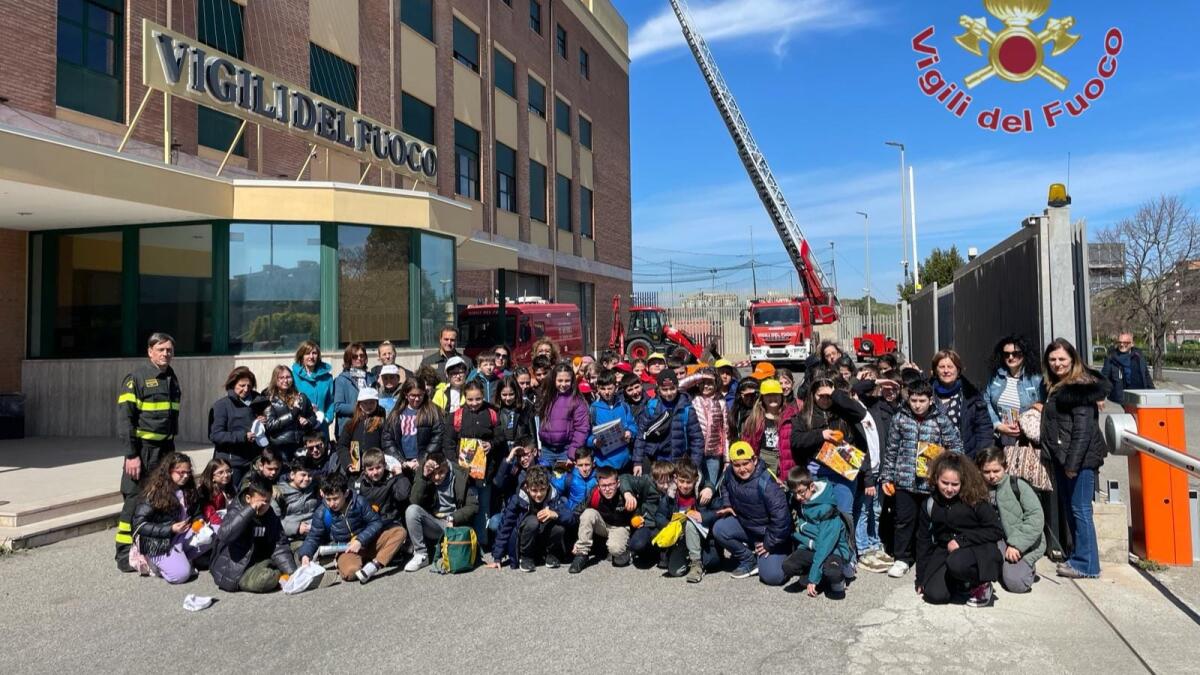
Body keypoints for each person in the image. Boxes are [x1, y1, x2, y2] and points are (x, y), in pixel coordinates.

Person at [879, 379, 964, 579]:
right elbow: (891, 451)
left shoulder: (941, 420)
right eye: (913, 400)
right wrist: (887, 478)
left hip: (930, 483)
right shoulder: (900, 418)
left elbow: (957, 448)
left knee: (929, 522)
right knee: (903, 521)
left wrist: (942, 454)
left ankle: (927, 555)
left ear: (931, 400)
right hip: (904, 479)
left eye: (922, 400)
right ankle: (902, 558)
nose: (917, 405)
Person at [1041, 338, 1110, 579]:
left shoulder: (1079, 387)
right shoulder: (1057, 385)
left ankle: (1087, 564)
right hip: (1065, 458)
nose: (1057, 363)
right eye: (1052, 359)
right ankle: (1079, 557)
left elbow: (1083, 430)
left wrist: (1072, 464)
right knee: (1073, 508)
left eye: (1062, 359)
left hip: (1078, 461)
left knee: (1080, 510)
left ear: (1073, 360)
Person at [115, 332, 182, 572]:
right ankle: (124, 556)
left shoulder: (171, 378)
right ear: (150, 351)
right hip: (142, 452)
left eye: (169, 350)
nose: (166, 354)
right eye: (161, 349)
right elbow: (125, 421)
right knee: (134, 501)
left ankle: (148, 547)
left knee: (159, 499)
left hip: (165, 450)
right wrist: (131, 455)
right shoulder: (136, 378)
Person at [916, 452, 1005, 607]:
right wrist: (921, 577)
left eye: (955, 484)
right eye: (945, 483)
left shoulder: (974, 499)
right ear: (936, 478)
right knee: (934, 595)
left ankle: (981, 584)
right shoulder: (930, 503)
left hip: (978, 549)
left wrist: (962, 540)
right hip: (945, 550)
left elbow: (996, 530)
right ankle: (961, 583)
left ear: (962, 482)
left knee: (957, 563)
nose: (949, 489)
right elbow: (923, 541)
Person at [297, 472, 408, 584]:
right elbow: (313, 536)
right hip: (347, 549)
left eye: (335, 498)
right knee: (351, 572)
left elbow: (375, 522)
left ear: (345, 493)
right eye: (328, 499)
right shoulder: (321, 512)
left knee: (399, 532)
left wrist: (360, 540)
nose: (331, 503)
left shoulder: (359, 502)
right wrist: (305, 555)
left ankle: (375, 564)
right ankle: (369, 559)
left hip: (368, 542)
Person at [712, 442, 793, 585]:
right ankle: (749, 560)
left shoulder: (767, 483)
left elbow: (782, 519)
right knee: (720, 528)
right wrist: (727, 503)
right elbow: (725, 484)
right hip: (748, 526)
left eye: (746, 463)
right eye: (737, 465)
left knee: (772, 577)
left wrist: (769, 543)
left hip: (771, 534)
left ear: (754, 460)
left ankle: (788, 553)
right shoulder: (730, 472)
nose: (742, 469)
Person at [789, 377, 868, 516]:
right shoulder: (805, 416)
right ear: (813, 395)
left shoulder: (843, 412)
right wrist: (820, 435)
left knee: (844, 514)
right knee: (820, 514)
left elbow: (861, 413)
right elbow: (796, 440)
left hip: (843, 472)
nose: (825, 400)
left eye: (828, 396)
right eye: (821, 396)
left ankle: (845, 538)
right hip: (817, 473)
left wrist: (836, 394)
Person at [210, 477, 301, 593]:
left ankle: (296, 571)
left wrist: (291, 572)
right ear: (248, 498)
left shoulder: (270, 514)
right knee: (265, 579)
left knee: (300, 547)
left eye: (267, 501)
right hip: (240, 568)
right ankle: (277, 570)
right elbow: (225, 535)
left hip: (262, 556)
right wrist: (250, 510)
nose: (263, 506)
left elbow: (279, 544)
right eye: (259, 502)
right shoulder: (236, 510)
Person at [130, 452, 209, 583]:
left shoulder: (188, 489)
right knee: (181, 575)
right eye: (181, 472)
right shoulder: (153, 493)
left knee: (216, 530)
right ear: (169, 471)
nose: (186, 476)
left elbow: (196, 513)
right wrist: (170, 529)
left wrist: (199, 521)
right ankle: (153, 562)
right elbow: (139, 525)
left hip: (181, 535)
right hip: (158, 542)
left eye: (188, 473)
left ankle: (180, 558)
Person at [976, 447, 1045, 593]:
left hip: (1018, 542)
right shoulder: (978, 489)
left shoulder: (1018, 486)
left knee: (1016, 584)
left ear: (1005, 467)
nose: (992, 476)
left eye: (996, 471)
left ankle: (1025, 568)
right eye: (986, 472)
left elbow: (1035, 517)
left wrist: (1017, 544)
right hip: (993, 540)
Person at [568, 466, 659, 573]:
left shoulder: (626, 495)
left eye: (611, 485)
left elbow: (637, 513)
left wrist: (636, 518)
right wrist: (575, 540)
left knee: (615, 550)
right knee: (588, 513)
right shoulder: (594, 493)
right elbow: (577, 512)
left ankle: (620, 549)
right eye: (603, 486)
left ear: (618, 483)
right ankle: (581, 554)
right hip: (602, 524)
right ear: (598, 486)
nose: (607, 489)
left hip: (620, 527)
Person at [441, 381, 500, 542]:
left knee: (483, 506)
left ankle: (482, 542)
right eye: (470, 400)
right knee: (464, 506)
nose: (474, 403)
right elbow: (448, 442)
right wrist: (455, 465)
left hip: (485, 470)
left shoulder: (492, 413)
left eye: (478, 399)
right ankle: (464, 541)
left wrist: (492, 444)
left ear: (483, 396)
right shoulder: (457, 416)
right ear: (464, 398)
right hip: (463, 472)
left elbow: (500, 436)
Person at [781, 467, 853, 598]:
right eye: (795, 493)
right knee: (788, 566)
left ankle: (838, 575)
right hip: (812, 545)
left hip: (833, 549)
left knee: (833, 575)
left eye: (801, 492)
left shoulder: (827, 509)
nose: (798, 497)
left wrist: (813, 578)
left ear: (812, 486)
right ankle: (817, 576)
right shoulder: (803, 498)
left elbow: (824, 546)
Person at [403, 451, 480, 572]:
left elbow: (472, 506)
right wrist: (424, 477)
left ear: (447, 467)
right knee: (411, 510)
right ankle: (421, 554)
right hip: (434, 522)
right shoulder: (424, 471)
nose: (437, 477)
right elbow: (414, 500)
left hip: (453, 525)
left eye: (441, 472)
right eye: (433, 473)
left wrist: (454, 517)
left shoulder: (461, 474)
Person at [489, 466, 574, 571]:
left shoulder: (553, 495)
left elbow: (570, 517)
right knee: (533, 521)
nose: (538, 494)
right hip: (525, 540)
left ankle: (551, 555)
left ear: (547, 486)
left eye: (542, 489)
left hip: (542, 540)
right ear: (527, 487)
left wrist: (555, 514)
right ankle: (526, 558)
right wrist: (497, 557)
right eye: (534, 490)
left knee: (559, 527)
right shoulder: (517, 499)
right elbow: (505, 527)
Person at [634, 370, 703, 475]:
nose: (669, 393)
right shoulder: (652, 407)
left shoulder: (686, 408)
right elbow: (641, 435)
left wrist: (694, 465)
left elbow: (697, 439)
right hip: (656, 460)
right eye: (664, 390)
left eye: (672, 388)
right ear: (658, 389)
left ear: (677, 386)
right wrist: (637, 461)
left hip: (678, 461)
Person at [931, 350, 995, 457]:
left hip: (964, 459)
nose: (946, 370)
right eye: (942, 367)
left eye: (950, 367)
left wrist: (980, 458)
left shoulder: (971, 395)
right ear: (935, 370)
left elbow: (984, 429)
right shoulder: (926, 394)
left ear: (958, 370)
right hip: (932, 458)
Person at [983, 335, 1045, 443]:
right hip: (1000, 439)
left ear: (1024, 354)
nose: (1011, 357)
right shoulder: (996, 377)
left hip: (1026, 440)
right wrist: (997, 425)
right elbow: (986, 401)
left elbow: (1045, 406)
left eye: (1015, 354)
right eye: (1006, 354)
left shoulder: (1036, 379)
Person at [209, 366, 263, 488]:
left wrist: (261, 421)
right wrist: (243, 436)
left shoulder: (258, 403)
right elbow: (215, 435)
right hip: (231, 464)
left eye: (249, 386)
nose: (246, 389)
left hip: (252, 462)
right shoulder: (221, 405)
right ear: (233, 384)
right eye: (242, 385)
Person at [382, 379, 444, 471]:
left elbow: (438, 437)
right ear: (406, 395)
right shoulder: (396, 413)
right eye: (413, 395)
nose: (417, 399)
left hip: (424, 462)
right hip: (402, 462)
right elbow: (387, 439)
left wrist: (423, 459)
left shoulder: (433, 411)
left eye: (420, 395)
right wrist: (401, 461)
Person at [536, 363, 590, 467]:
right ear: (554, 380)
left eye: (567, 381)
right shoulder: (546, 398)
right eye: (560, 380)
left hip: (565, 450)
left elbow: (582, 428)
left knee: (563, 481)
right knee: (544, 480)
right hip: (546, 450)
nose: (563, 384)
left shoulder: (576, 401)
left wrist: (573, 452)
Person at [264, 364, 318, 461]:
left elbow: (313, 417)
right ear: (275, 380)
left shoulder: (301, 397)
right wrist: (292, 415)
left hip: (300, 445)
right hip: (280, 447)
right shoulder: (269, 399)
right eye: (281, 378)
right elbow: (270, 425)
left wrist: (308, 421)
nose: (285, 380)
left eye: (288, 377)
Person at [740, 378, 793, 476]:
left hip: (786, 461)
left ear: (781, 396)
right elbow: (748, 444)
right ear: (762, 398)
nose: (773, 397)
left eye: (776, 394)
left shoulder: (791, 415)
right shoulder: (755, 418)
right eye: (768, 395)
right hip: (764, 460)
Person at [354, 449, 413, 536]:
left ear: (384, 465)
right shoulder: (360, 483)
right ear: (365, 470)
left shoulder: (392, 479)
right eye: (371, 469)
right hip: (369, 524)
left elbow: (403, 495)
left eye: (378, 468)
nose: (375, 472)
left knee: (399, 534)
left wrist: (400, 475)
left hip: (389, 522)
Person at [691, 367, 729, 486]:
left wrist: (726, 459)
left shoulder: (721, 402)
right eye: (703, 383)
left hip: (714, 453)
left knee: (711, 485)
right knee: (695, 485)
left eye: (710, 383)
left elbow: (725, 431)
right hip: (695, 452)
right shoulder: (693, 399)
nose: (706, 386)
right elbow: (680, 385)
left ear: (716, 383)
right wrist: (699, 376)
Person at [336, 387, 385, 477]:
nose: (368, 406)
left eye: (371, 402)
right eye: (365, 403)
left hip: (375, 471)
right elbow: (341, 445)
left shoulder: (381, 423)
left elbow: (386, 446)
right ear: (359, 405)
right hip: (356, 471)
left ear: (376, 403)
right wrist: (348, 462)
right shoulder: (351, 424)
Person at [291, 340, 334, 438]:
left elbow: (331, 401)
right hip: (301, 426)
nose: (311, 356)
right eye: (307, 353)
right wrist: (297, 417)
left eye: (314, 353)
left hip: (321, 426)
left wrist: (327, 419)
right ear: (301, 356)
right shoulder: (293, 376)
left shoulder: (327, 378)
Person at [333, 342, 377, 437]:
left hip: (370, 427)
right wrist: (359, 410)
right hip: (350, 429)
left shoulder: (372, 378)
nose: (359, 358)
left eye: (362, 355)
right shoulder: (341, 379)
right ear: (349, 359)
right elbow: (337, 406)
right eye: (355, 356)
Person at [273, 459, 321, 541]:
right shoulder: (279, 492)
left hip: (315, 534)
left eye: (309, 475)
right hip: (292, 538)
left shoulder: (315, 488)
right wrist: (296, 527)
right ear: (292, 475)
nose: (306, 478)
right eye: (303, 475)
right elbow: (273, 521)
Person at [1100, 332, 1154, 404]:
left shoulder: (1138, 356)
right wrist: (1100, 397)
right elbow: (1104, 378)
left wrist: (1153, 392)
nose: (1122, 345)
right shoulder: (1111, 358)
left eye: (1125, 343)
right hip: (1120, 399)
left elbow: (1146, 375)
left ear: (1132, 344)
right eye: (1120, 342)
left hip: (1140, 395)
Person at [550, 446, 597, 511]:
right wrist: (562, 505)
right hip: (572, 514)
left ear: (593, 464)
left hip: (591, 515)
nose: (584, 469)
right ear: (575, 464)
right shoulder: (569, 478)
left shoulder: (598, 479)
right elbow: (553, 488)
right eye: (580, 465)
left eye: (587, 465)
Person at [495, 375, 534, 450]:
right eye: (504, 395)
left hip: (521, 450)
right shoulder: (495, 410)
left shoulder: (525, 408)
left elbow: (532, 433)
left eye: (511, 394)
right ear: (499, 394)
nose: (508, 398)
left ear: (516, 393)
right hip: (501, 452)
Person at [195, 458, 234, 527]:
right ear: (212, 476)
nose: (226, 475)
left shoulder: (231, 487)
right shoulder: (205, 491)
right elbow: (211, 515)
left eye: (228, 471)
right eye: (220, 472)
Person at [728, 378, 760, 442]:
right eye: (746, 395)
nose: (750, 398)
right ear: (740, 396)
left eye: (753, 395)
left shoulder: (762, 412)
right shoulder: (735, 413)